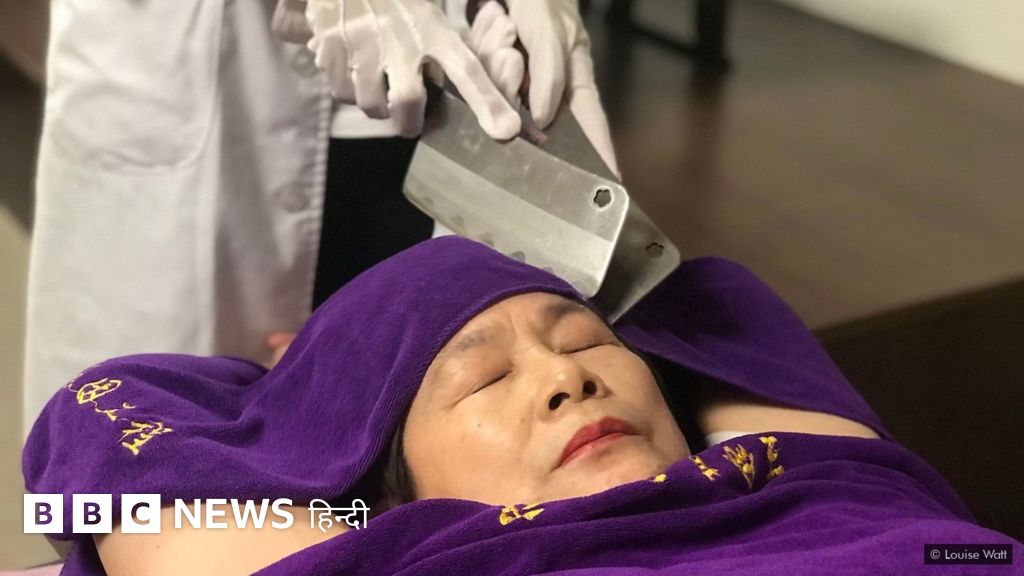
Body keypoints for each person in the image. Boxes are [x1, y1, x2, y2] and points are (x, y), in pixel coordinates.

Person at [25, 237, 1022, 575]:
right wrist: (302, 406)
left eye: (584, 342)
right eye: (484, 379)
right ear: (390, 489)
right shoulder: (389, 552)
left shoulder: (805, 476)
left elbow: (710, 299)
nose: (565, 377)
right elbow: (98, 421)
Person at [22, 0, 618, 437]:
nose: (568, 380)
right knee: (139, 464)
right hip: (197, 70)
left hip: (442, 71)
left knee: (423, 442)